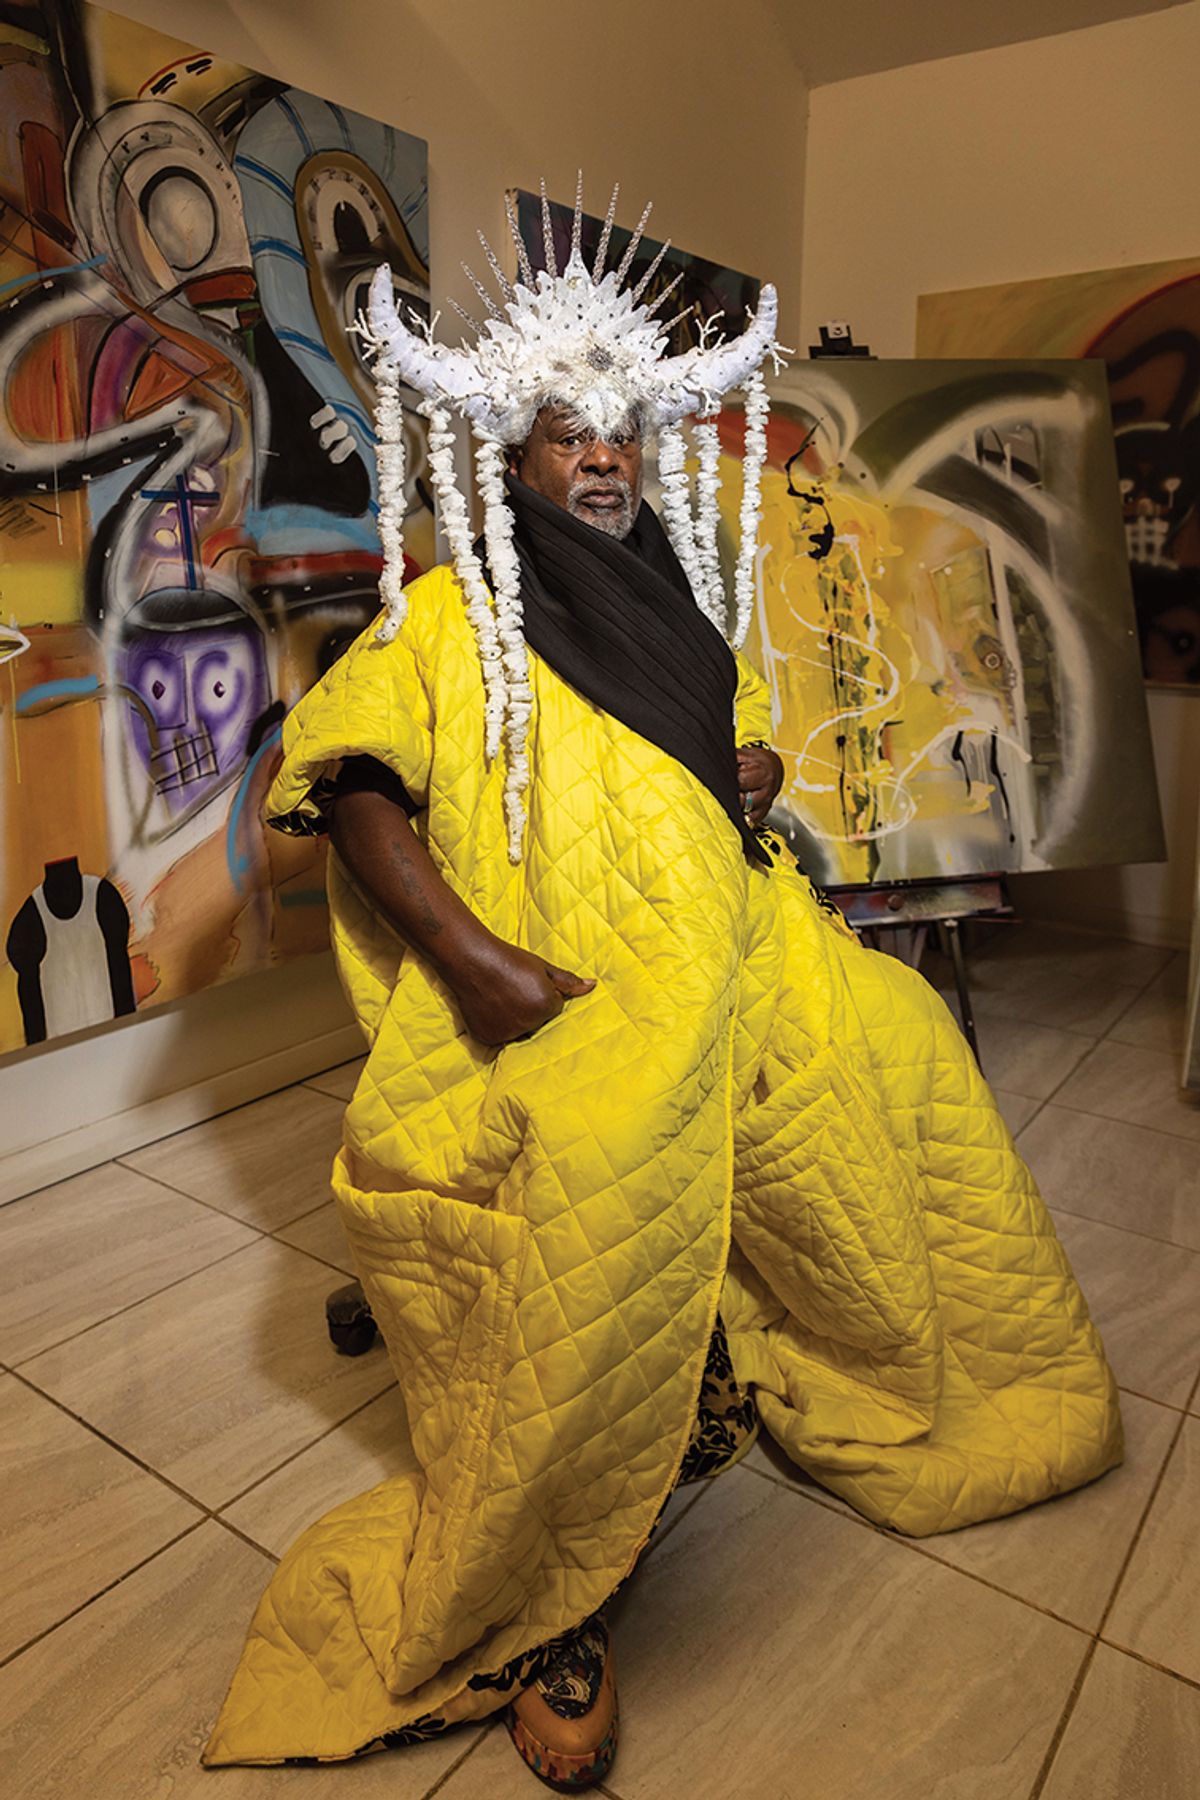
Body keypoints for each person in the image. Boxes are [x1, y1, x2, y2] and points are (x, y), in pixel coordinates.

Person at [204, 182, 1121, 1790]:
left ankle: (879, 1356)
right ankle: (558, 1587)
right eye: (567, 432)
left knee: (900, 1041)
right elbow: (346, 782)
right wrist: (483, 971)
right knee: (600, 1185)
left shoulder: (682, 605)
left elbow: (707, 753)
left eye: (620, 427)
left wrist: (744, 762)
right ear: (514, 459)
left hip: (731, 942)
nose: (604, 451)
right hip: (557, 980)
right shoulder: (446, 618)